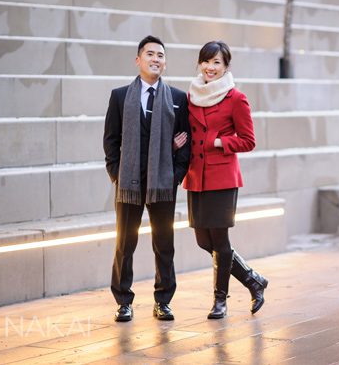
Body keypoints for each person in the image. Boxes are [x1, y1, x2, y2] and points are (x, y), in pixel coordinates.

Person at [103, 35, 190, 322]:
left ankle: (163, 301)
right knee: (124, 244)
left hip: (163, 183)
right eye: (150, 54)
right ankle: (123, 301)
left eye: (161, 55)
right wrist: (117, 175)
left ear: (165, 63)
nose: (156, 59)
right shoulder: (119, 96)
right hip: (128, 184)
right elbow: (111, 141)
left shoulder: (177, 99)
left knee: (164, 244)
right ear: (138, 60)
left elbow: (185, 143)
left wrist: (174, 176)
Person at [183, 40, 268, 319]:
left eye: (216, 62)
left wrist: (219, 141)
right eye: (206, 61)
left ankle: (220, 300)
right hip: (196, 177)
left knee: (220, 240)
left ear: (225, 67)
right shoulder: (192, 95)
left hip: (222, 177)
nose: (210, 67)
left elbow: (248, 141)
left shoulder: (236, 98)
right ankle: (253, 280)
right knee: (203, 241)